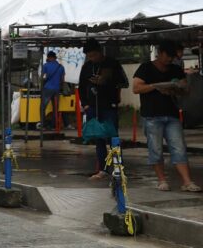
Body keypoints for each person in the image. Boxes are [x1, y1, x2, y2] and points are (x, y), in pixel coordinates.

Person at [132, 40, 201, 192]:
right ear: (160, 53)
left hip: (172, 114)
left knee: (179, 148)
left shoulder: (175, 69)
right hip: (151, 115)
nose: (170, 59)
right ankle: (162, 180)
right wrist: (155, 86)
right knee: (156, 149)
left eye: (172, 57)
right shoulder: (146, 68)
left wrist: (176, 88)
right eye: (167, 56)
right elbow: (136, 88)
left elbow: (185, 89)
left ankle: (187, 181)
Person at [78, 39, 128, 180]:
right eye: (89, 56)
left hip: (109, 105)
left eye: (94, 55)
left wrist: (106, 81)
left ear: (100, 52)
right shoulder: (87, 67)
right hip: (93, 106)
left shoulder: (112, 63)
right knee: (98, 138)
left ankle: (118, 167)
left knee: (113, 137)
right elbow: (81, 86)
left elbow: (123, 82)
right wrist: (85, 104)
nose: (92, 58)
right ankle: (102, 169)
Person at [39, 50, 65, 130]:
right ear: (55, 58)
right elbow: (62, 80)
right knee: (55, 108)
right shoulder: (61, 67)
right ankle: (53, 126)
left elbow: (42, 77)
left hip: (47, 89)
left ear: (49, 57)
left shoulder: (46, 65)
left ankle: (43, 125)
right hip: (56, 89)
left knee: (43, 107)